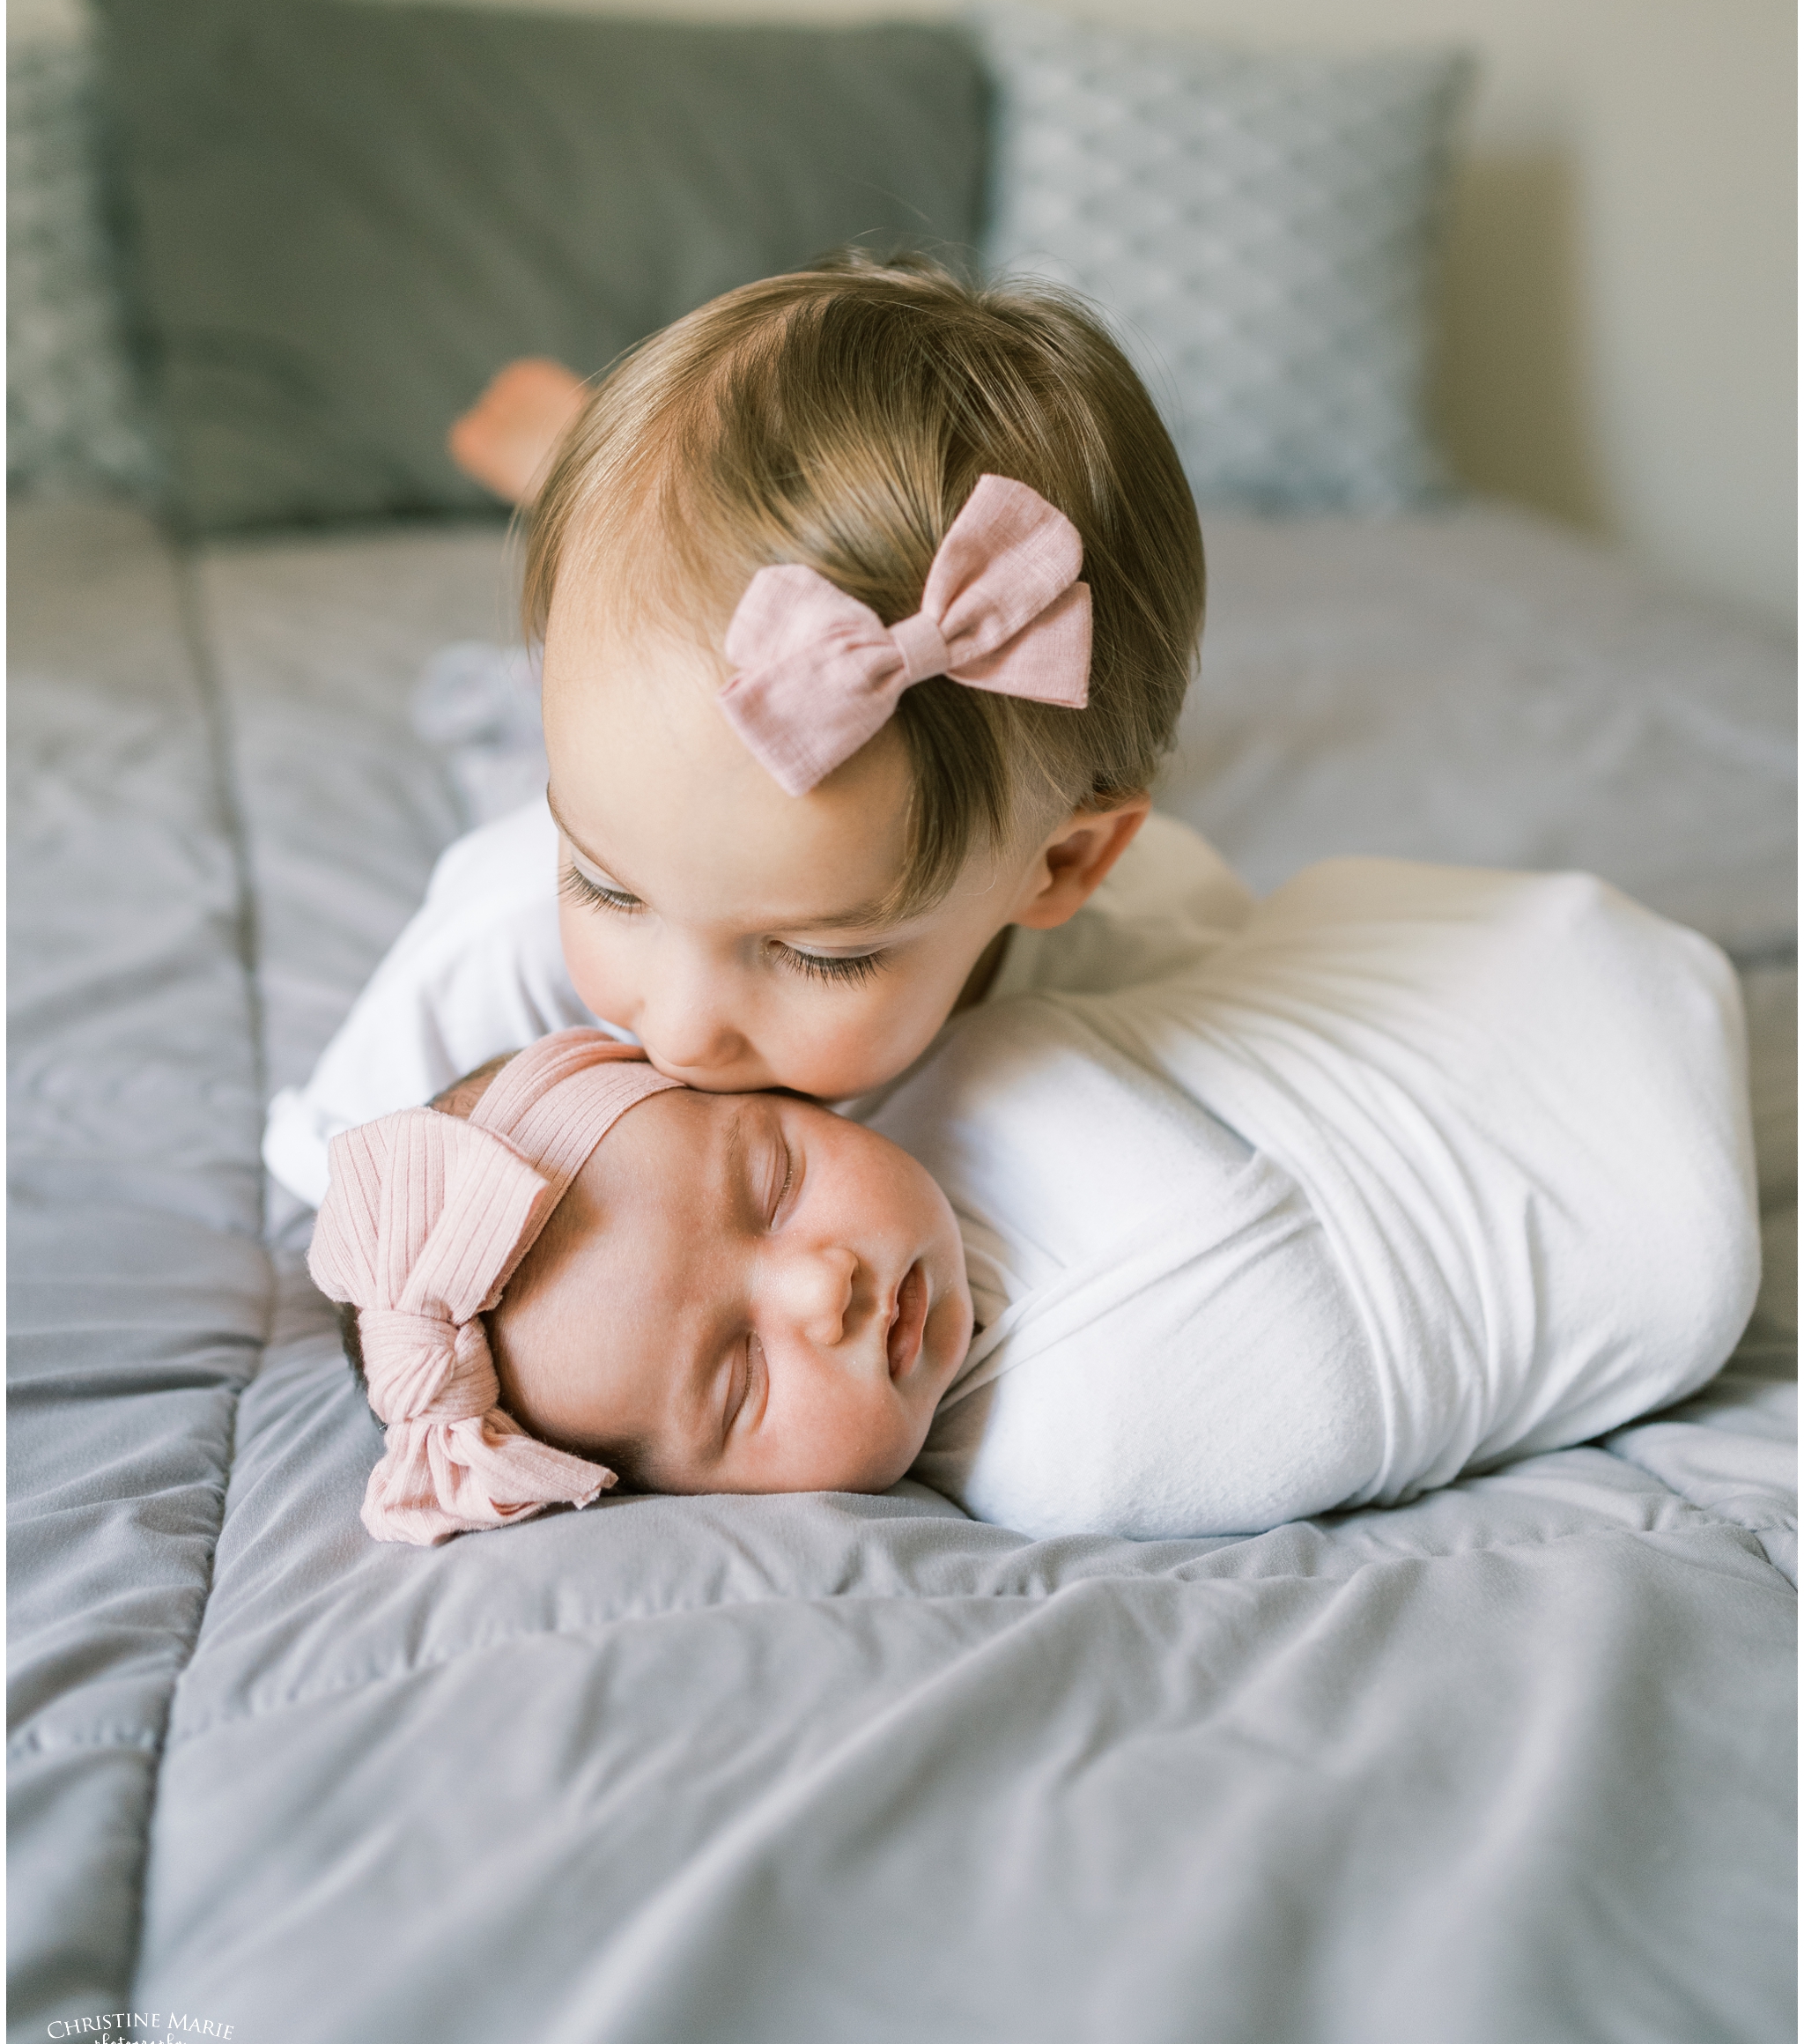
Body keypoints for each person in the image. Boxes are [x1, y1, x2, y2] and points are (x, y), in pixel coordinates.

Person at [314, 850, 1758, 1550]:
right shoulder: (1050, 1474)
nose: (822, 1287)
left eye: (767, 1178)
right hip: (1658, 1266)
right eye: (736, 1374)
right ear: (672, 1492)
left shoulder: (974, 1058)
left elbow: (1165, 904)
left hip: (1554, 978)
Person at [263, 251, 1234, 1205]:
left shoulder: (1150, 957)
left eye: (818, 953)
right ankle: (565, 462)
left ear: (1063, 866)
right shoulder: (504, 946)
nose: (680, 1034)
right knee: (544, 723)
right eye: (604, 890)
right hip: (577, 774)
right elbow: (353, 1194)